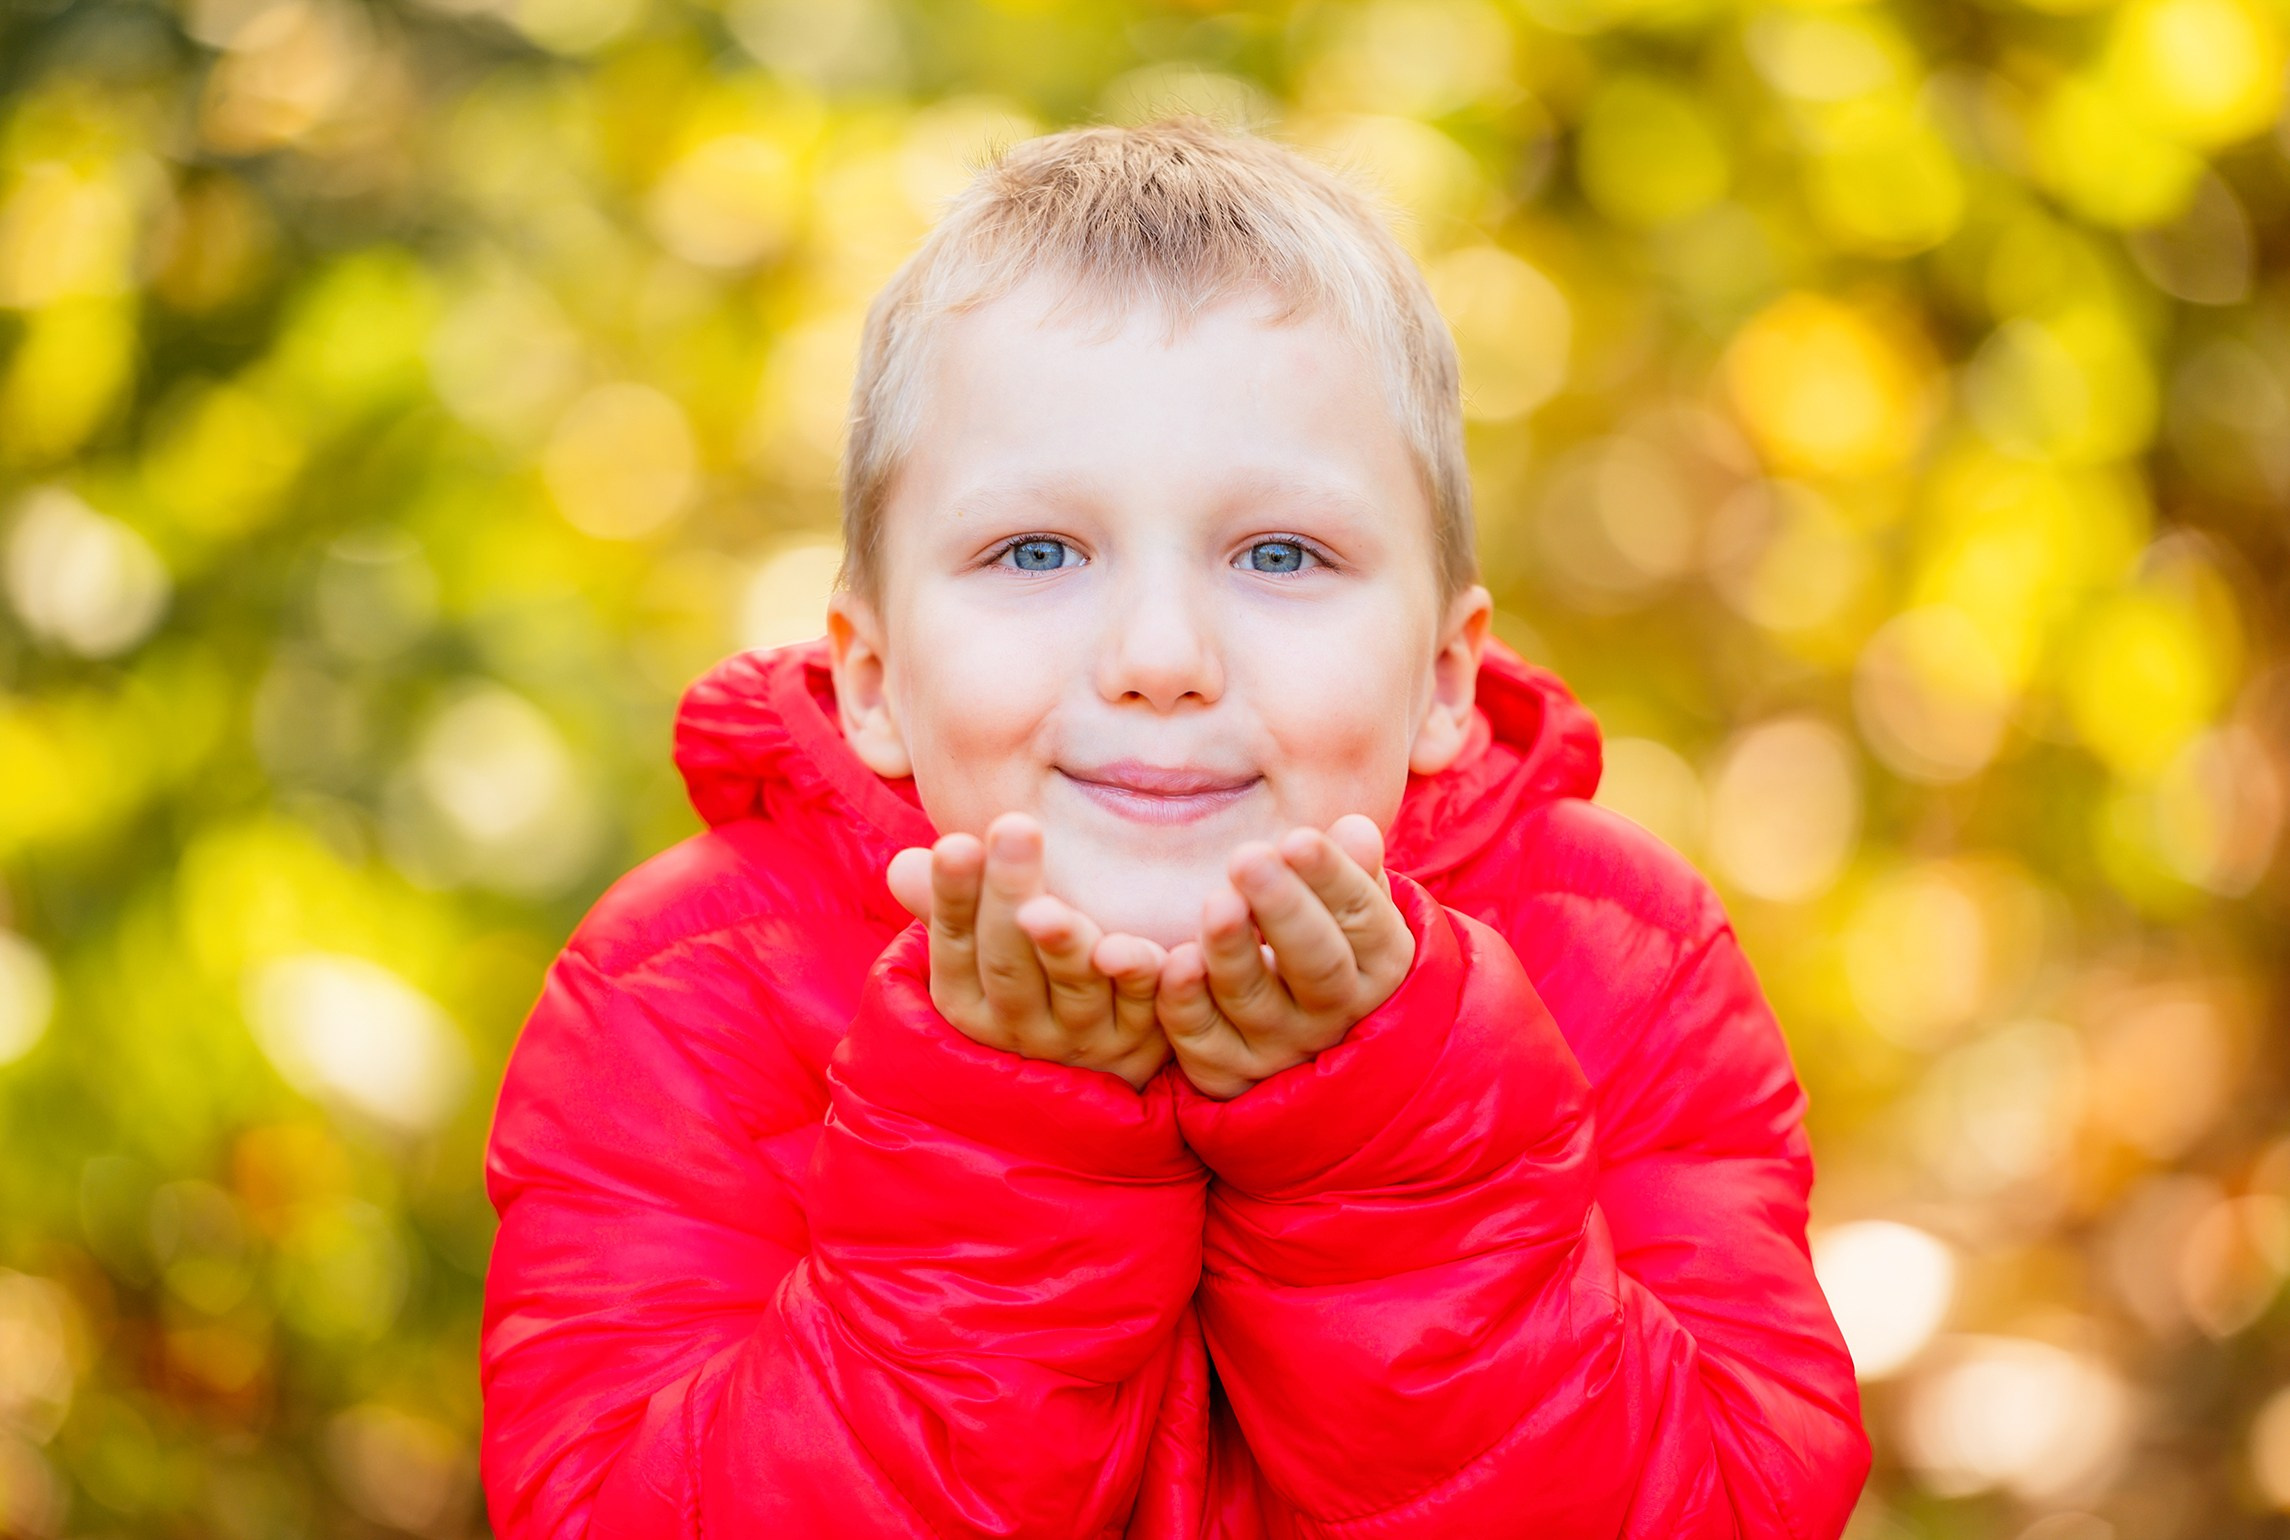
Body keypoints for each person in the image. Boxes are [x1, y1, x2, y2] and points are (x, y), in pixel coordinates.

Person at [479, 118, 1870, 1538]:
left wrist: (1393, 1142)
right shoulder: (684, 991)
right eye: (1035, 551)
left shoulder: (1620, 961)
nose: (1158, 653)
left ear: (1442, 681)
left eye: (1280, 554)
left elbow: (1731, 1505)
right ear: (874, 680)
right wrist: (999, 1144)